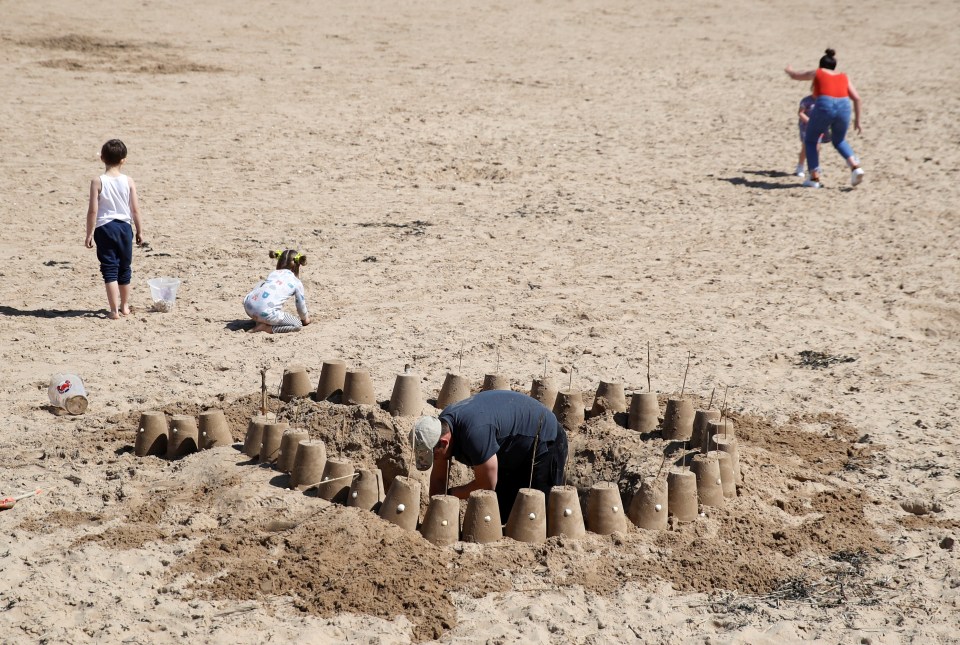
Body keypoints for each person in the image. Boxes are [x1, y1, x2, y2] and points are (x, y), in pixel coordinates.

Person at [411, 389, 568, 520]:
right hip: (511, 448)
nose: (434, 459)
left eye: (433, 454)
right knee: (504, 513)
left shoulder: (474, 434)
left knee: (537, 514)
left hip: (545, 440)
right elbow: (439, 479)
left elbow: (487, 485)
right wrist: (436, 505)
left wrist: (450, 494)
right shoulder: (442, 428)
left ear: (444, 442)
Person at [785, 48, 864, 188]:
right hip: (845, 106)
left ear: (820, 65)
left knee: (810, 140)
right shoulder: (843, 76)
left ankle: (814, 178)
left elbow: (796, 75)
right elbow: (857, 98)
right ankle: (855, 166)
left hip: (825, 105)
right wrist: (857, 120)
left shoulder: (818, 72)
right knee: (839, 140)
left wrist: (789, 70)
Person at [84, 139, 144, 319]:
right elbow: (135, 209)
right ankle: (125, 306)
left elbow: (93, 211)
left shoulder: (97, 181)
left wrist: (89, 233)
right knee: (125, 268)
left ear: (102, 158)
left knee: (109, 268)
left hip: (104, 228)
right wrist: (139, 231)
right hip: (125, 227)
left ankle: (114, 310)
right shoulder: (129, 181)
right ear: (123, 160)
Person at [243, 249, 311, 333]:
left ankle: (258, 319)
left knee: (262, 283)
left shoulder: (273, 273)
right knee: (297, 324)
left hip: (248, 305)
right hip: (266, 313)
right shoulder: (296, 282)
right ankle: (265, 328)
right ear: (297, 265)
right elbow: (300, 305)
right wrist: (305, 319)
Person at [794, 94, 832, 178]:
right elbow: (800, 113)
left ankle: (814, 168)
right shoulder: (806, 100)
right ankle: (800, 166)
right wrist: (810, 122)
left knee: (817, 147)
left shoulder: (823, 101)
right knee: (805, 148)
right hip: (806, 128)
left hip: (818, 128)